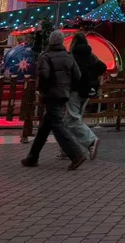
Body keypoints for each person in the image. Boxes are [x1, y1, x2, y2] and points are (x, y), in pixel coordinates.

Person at [21, 30, 89, 170]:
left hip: (50, 94)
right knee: (45, 126)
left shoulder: (45, 57)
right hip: (63, 94)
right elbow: (77, 75)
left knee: (57, 125)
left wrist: (42, 90)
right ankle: (32, 157)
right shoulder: (68, 56)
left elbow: (43, 76)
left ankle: (76, 154)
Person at [63, 32, 108, 160]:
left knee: (73, 119)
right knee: (69, 121)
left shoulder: (73, 56)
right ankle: (67, 149)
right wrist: (93, 77)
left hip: (75, 90)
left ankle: (91, 141)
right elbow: (102, 67)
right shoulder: (91, 56)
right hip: (87, 92)